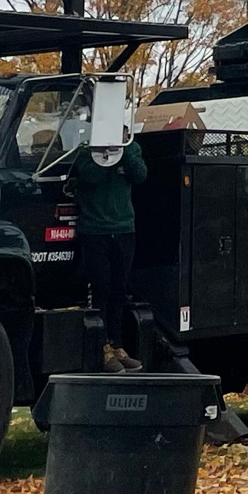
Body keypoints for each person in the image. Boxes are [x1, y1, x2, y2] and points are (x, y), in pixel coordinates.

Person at [70, 130, 149, 371]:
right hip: (95, 231)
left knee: (119, 288)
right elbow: (89, 178)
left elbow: (141, 175)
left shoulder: (131, 148)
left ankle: (117, 345)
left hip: (124, 229)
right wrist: (104, 155)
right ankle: (102, 348)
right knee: (100, 287)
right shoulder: (84, 152)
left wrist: (123, 152)